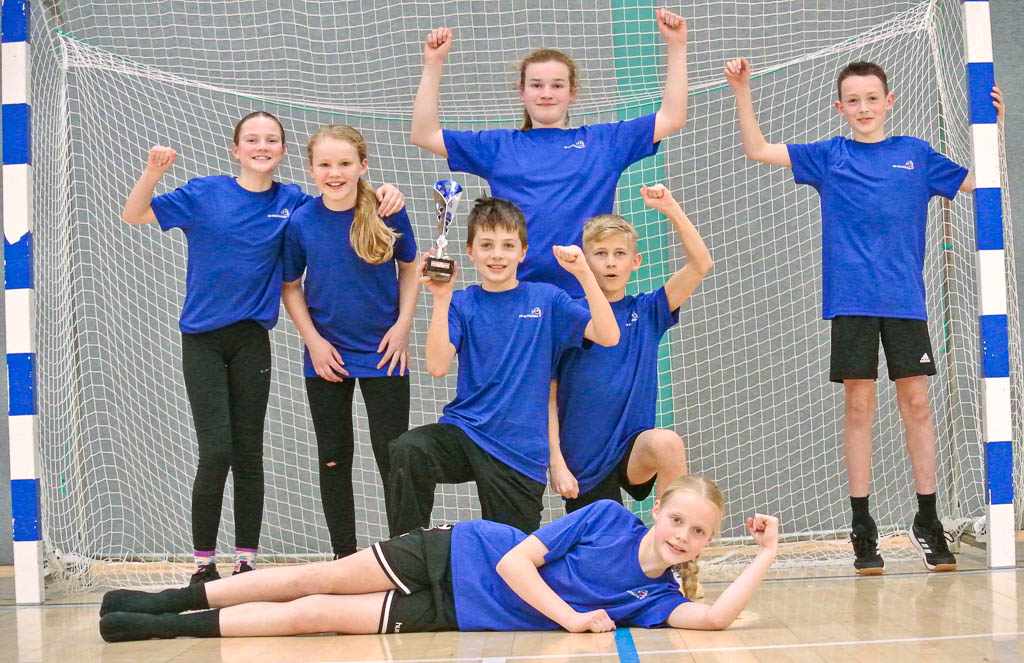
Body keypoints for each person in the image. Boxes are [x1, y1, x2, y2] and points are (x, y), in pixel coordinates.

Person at [723, 57, 1005, 574]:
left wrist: (995, 127)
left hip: (905, 303)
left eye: (872, 98)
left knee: (917, 404)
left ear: (889, 101)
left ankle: (927, 518)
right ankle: (862, 525)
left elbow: (977, 184)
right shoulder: (829, 157)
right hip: (851, 303)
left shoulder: (915, 156)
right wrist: (742, 89)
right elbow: (757, 149)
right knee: (859, 406)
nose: (864, 107)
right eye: (853, 100)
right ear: (840, 108)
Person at [121, 112, 405, 583]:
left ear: (284, 151)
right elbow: (134, 214)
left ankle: (245, 561)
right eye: (251, 139)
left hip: (253, 340)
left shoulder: (292, 202)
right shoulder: (204, 193)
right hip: (203, 341)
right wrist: (153, 173)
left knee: (249, 453)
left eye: (271, 139)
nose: (261, 145)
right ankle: (202, 565)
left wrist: (385, 192)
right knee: (216, 451)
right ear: (235, 149)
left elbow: (340, 196)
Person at [98, 475, 779, 641]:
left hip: (456, 611)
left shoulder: (658, 600)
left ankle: (153, 626)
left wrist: (767, 552)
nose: (683, 537)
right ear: (657, 510)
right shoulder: (604, 516)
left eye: (697, 533)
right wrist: (571, 619)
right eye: (678, 520)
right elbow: (518, 566)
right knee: (315, 576)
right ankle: (163, 597)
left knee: (314, 614)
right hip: (460, 553)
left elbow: (716, 616)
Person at [409, 8, 688, 297]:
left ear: (572, 92)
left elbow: (672, 118)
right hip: (517, 295)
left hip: (588, 297)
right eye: (536, 85)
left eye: (557, 85)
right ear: (522, 92)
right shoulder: (498, 146)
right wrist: (433, 64)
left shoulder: (604, 143)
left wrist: (676, 46)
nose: (546, 93)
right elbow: (424, 134)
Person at [387, 196, 619, 537]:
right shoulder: (462, 302)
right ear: (469, 252)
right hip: (467, 432)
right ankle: (405, 555)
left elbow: (608, 335)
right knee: (409, 450)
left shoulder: (547, 299)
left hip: (519, 451)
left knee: (509, 559)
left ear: (522, 252)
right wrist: (441, 299)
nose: (497, 254)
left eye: (508, 245)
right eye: (487, 245)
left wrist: (584, 273)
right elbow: (436, 366)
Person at [281, 125, 418, 559]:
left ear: (363, 165)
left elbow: (411, 268)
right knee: (335, 457)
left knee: (394, 457)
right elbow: (290, 286)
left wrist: (403, 327)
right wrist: (313, 342)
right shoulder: (302, 220)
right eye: (325, 164)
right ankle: (344, 557)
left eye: (344, 163)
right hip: (327, 358)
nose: (335, 173)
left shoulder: (385, 210)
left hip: (384, 352)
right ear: (311, 169)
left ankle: (404, 556)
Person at [550, 184, 712, 513]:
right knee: (604, 555)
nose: (611, 263)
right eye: (600, 253)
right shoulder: (569, 312)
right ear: (585, 258)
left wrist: (671, 208)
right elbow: (548, 393)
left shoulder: (649, 310)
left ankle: (671, 543)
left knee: (667, 443)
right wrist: (556, 462)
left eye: (619, 254)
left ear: (634, 261)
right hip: (585, 458)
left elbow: (700, 265)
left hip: (631, 447)